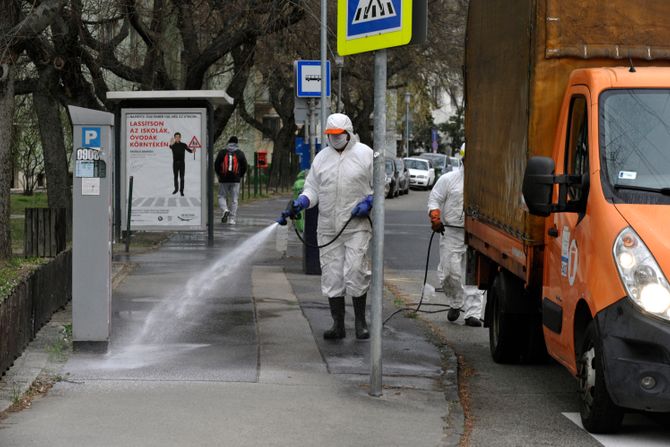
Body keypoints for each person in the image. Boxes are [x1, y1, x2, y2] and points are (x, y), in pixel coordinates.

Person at [278, 113, 373, 340]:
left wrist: (370, 202)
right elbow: (312, 189)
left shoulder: (365, 155)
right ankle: (338, 324)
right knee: (332, 276)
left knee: (355, 271)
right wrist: (302, 202)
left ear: (348, 133)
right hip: (328, 227)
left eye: (338, 135)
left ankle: (360, 322)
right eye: (330, 135)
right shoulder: (322, 158)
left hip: (356, 225)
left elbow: (380, 185)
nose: (334, 139)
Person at [427, 145, 483, 327]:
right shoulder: (448, 179)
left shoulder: (485, 183)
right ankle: (455, 302)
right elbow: (435, 198)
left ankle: (472, 313)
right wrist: (435, 217)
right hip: (451, 232)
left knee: (473, 274)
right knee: (449, 272)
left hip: (477, 233)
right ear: (463, 159)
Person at [214, 136, 248, 225]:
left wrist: (219, 175)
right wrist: (240, 176)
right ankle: (232, 219)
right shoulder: (240, 153)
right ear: (237, 143)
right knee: (234, 199)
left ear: (228, 142)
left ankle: (225, 210)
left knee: (221, 196)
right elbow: (245, 166)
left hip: (224, 179)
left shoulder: (222, 152)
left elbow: (216, 164)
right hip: (235, 180)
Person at [169, 132, 193, 196]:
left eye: (178, 137)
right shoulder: (173, 145)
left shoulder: (183, 144)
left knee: (182, 177)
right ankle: (176, 189)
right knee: (175, 177)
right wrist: (171, 143)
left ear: (180, 137)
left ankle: (181, 191)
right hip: (175, 164)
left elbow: (189, 150)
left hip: (182, 163)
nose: (177, 138)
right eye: (176, 137)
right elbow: (170, 146)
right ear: (174, 138)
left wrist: (193, 150)